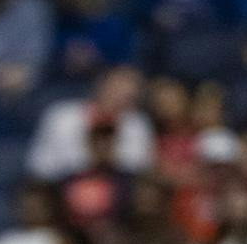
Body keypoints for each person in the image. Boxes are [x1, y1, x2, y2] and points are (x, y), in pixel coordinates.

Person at [26, 65, 154, 183]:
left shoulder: (137, 123)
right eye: (117, 87)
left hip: (118, 192)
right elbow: (40, 163)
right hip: (61, 188)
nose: (122, 94)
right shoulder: (61, 115)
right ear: (101, 85)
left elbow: (138, 163)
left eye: (130, 92)